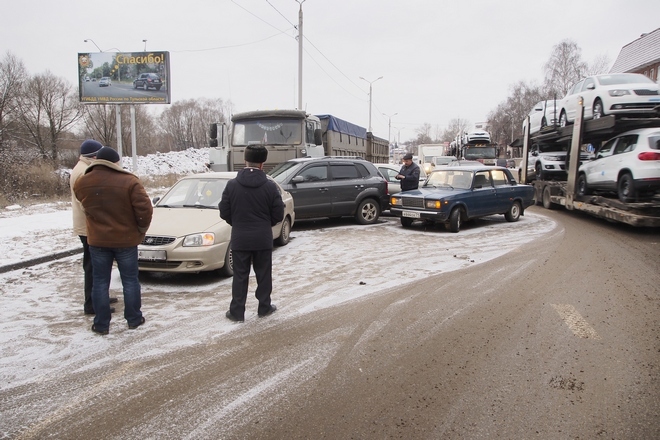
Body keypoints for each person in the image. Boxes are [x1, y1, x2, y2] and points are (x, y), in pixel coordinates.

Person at [74, 146, 153, 335]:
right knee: (130, 281)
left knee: (100, 282)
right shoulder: (129, 181)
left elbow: (82, 203)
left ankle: (101, 324)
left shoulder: (83, 182)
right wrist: (140, 229)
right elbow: (145, 210)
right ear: (115, 162)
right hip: (125, 240)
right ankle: (134, 319)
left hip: (98, 241)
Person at [219, 145, 284, 322]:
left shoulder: (232, 185)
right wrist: (264, 224)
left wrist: (238, 223)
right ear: (263, 164)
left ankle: (237, 312)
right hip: (262, 238)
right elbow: (278, 214)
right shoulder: (270, 187)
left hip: (240, 238)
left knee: (240, 276)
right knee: (264, 275)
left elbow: (224, 210)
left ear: (244, 161)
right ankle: (264, 307)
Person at [70, 139, 117, 315]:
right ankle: (92, 303)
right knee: (93, 266)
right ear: (95, 156)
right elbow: (87, 202)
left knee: (98, 264)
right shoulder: (84, 172)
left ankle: (100, 296)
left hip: (88, 224)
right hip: (89, 226)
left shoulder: (81, 168)